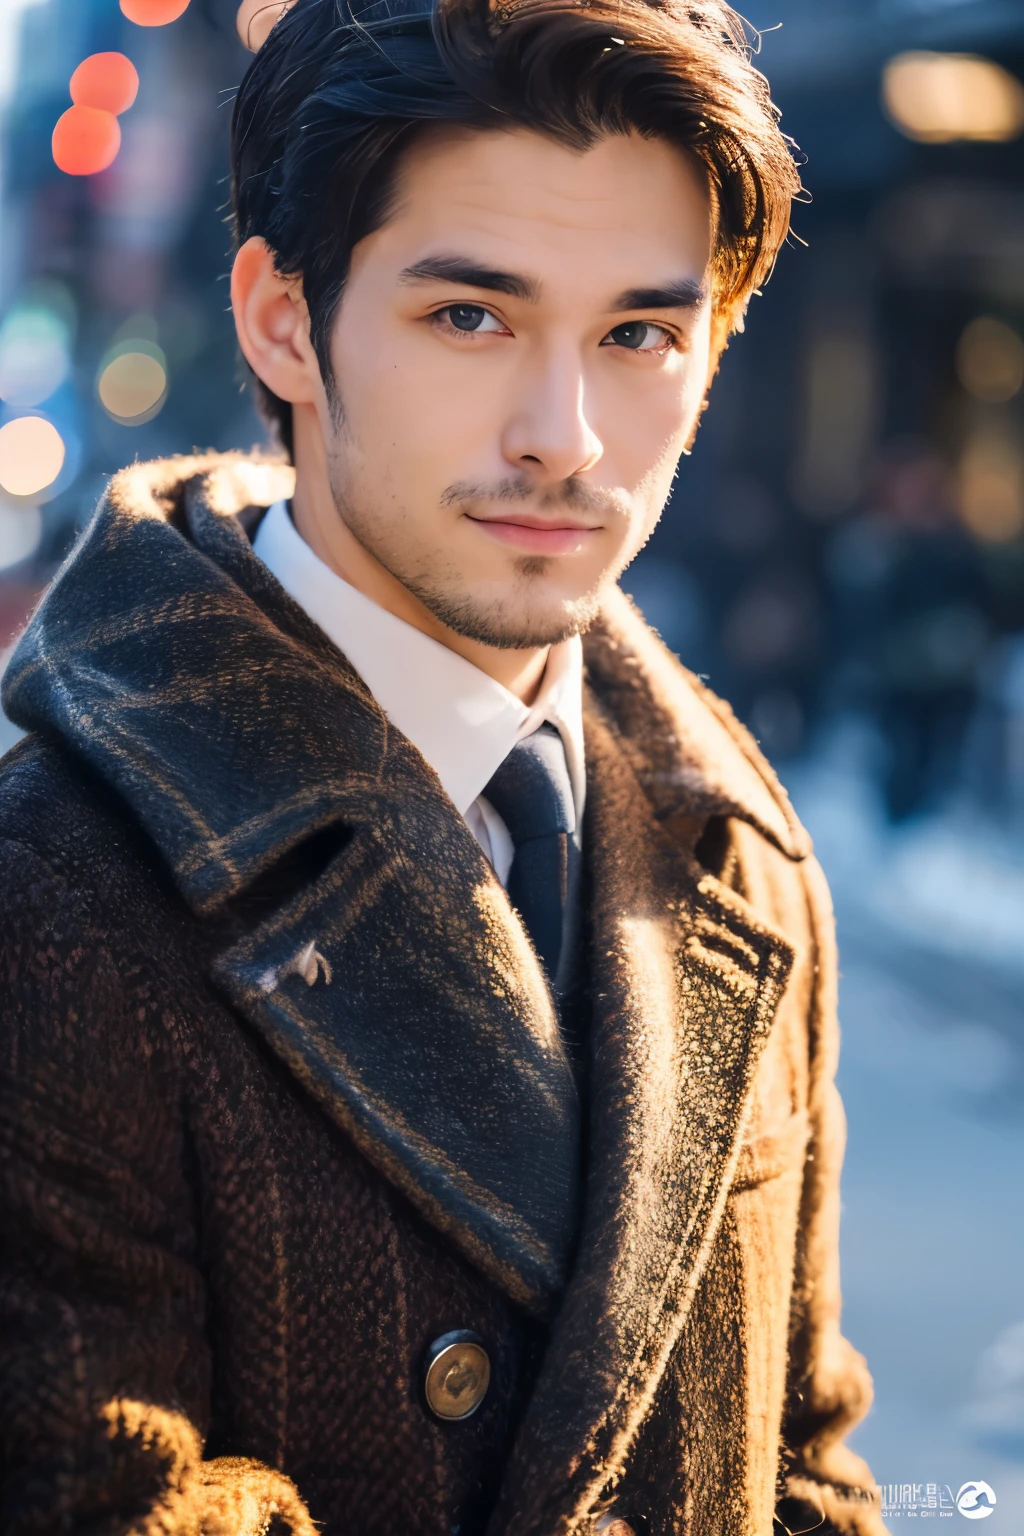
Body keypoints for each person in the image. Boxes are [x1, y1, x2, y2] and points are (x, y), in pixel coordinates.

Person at [0, 1, 887, 1532]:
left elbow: (803, 1462)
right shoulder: (56, 899)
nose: (565, 439)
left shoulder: (738, 845)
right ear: (282, 320)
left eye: (638, 336)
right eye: (469, 316)